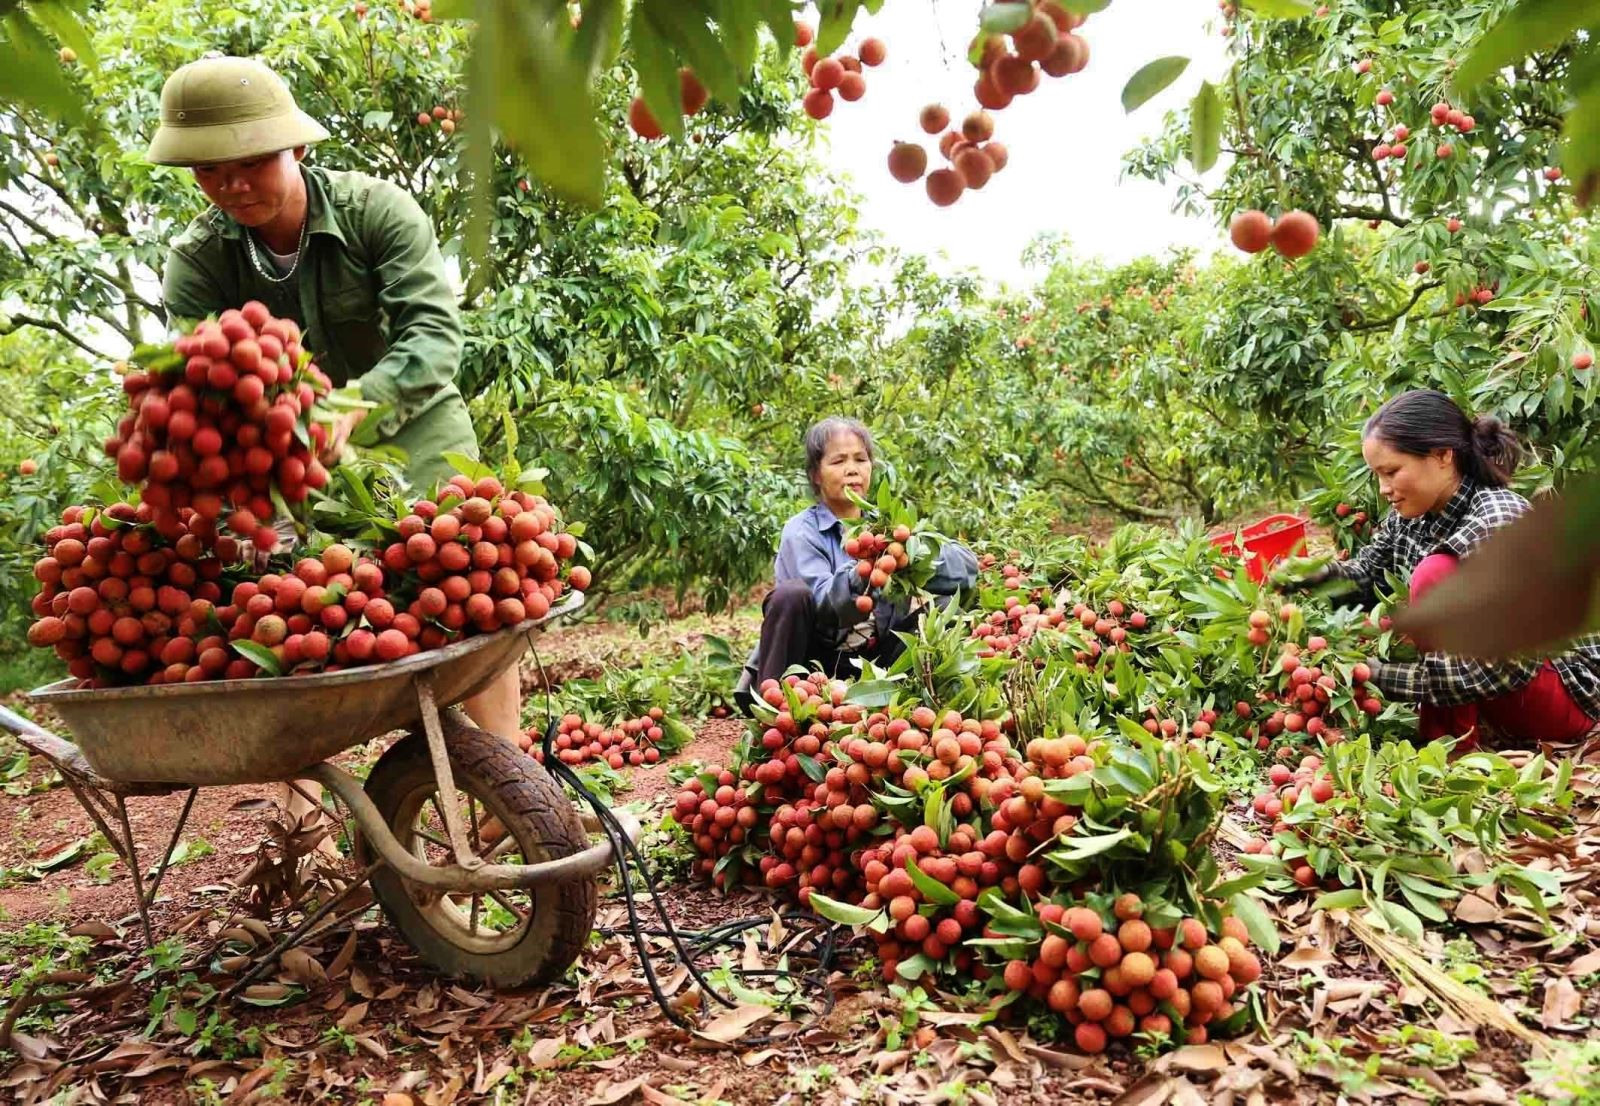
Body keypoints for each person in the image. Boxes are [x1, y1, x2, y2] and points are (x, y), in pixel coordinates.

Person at [146, 55, 523, 835]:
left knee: (474, 591)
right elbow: (199, 378)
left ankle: (506, 773)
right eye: (211, 172)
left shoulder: (376, 211)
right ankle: (301, 814)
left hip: (416, 432)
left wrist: (354, 404)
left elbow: (433, 336)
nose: (234, 185)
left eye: (252, 162)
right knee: (278, 607)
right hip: (288, 463)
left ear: (298, 150)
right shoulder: (198, 260)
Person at [1296, 389, 1600, 747]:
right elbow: (1366, 575)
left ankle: (1452, 745)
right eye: (1377, 475)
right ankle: (1456, 738)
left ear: (1442, 455)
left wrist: (1381, 677)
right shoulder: (1412, 516)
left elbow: (1506, 670)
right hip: (1504, 689)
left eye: (1391, 472)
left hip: (1562, 694)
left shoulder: (1499, 520)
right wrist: (1307, 579)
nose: (1384, 489)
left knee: (1434, 575)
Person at [739, 417, 979, 700]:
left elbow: (967, 571)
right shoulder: (801, 531)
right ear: (816, 474)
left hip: (878, 662)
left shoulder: (887, 528)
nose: (852, 470)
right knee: (789, 595)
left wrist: (910, 553)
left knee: (943, 611)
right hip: (811, 664)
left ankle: (910, 698)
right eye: (838, 461)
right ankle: (775, 705)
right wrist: (862, 573)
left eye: (860, 459)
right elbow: (822, 604)